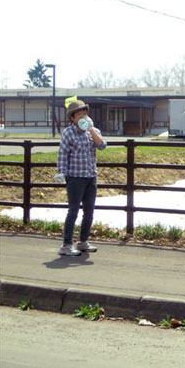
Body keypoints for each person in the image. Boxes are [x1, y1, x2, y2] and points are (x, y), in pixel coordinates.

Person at [55, 100, 107, 256]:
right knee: (73, 211)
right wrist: (61, 172)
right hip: (75, 177)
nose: (83, 117)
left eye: (85, 113)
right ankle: (66, 245)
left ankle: (83, 242)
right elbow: (63, 154)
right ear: (72, 118)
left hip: (91, 176)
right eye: (79, 114)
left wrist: (90, 130)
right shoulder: (68, 133)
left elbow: (102, 145)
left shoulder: (93, 131)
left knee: (89, 211)